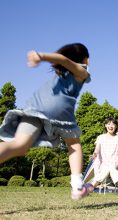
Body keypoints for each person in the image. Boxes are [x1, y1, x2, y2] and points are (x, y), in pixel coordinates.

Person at [0, 43, 93, 200]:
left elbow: (63, 60)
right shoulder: (81, 72)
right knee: (73, 143)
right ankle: (77, 186)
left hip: (34, 106)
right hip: (58, 108)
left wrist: (44, 58)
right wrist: (41, 55)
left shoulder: (59, 75)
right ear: (86, 59)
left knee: (19, 146)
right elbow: (64, 60)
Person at [88, 118, 118, 196]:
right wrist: (95, 154)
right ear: (105, 126)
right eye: (108, 124)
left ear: (116, 126)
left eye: (113, 124)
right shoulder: (100, 137)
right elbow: (97, 149)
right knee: (107, 169)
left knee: (111, 167)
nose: (111, 126)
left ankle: (89, 190)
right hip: (103, 162)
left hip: (115, 160)